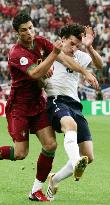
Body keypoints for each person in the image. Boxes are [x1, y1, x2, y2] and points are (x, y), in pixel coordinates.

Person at [0, 14, 98, 202]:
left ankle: (35, 190)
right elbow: (35, 73)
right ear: (17, 32)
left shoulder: (40, 41)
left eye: (31, 27)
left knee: (50, 145)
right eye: (24, 30)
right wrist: (51, 58)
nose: (30, 32)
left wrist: (85, 72)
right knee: (20, 154)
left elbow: (64, 59)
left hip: (39, 104)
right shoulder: (16, 53)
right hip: (20, 107)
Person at [44, 24, 103, 201]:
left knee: (89, 156)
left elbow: (99, 65)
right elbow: (66, 60)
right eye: (72, 43)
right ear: (63, 39)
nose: (74, 48)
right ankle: (76, 160)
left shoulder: (79, 54)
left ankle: (54, 180)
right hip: (56, 99)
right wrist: (85, 71)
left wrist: (89, 47)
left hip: (75, 105)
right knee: (70, 125)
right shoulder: (53, 50)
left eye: (77, 44)